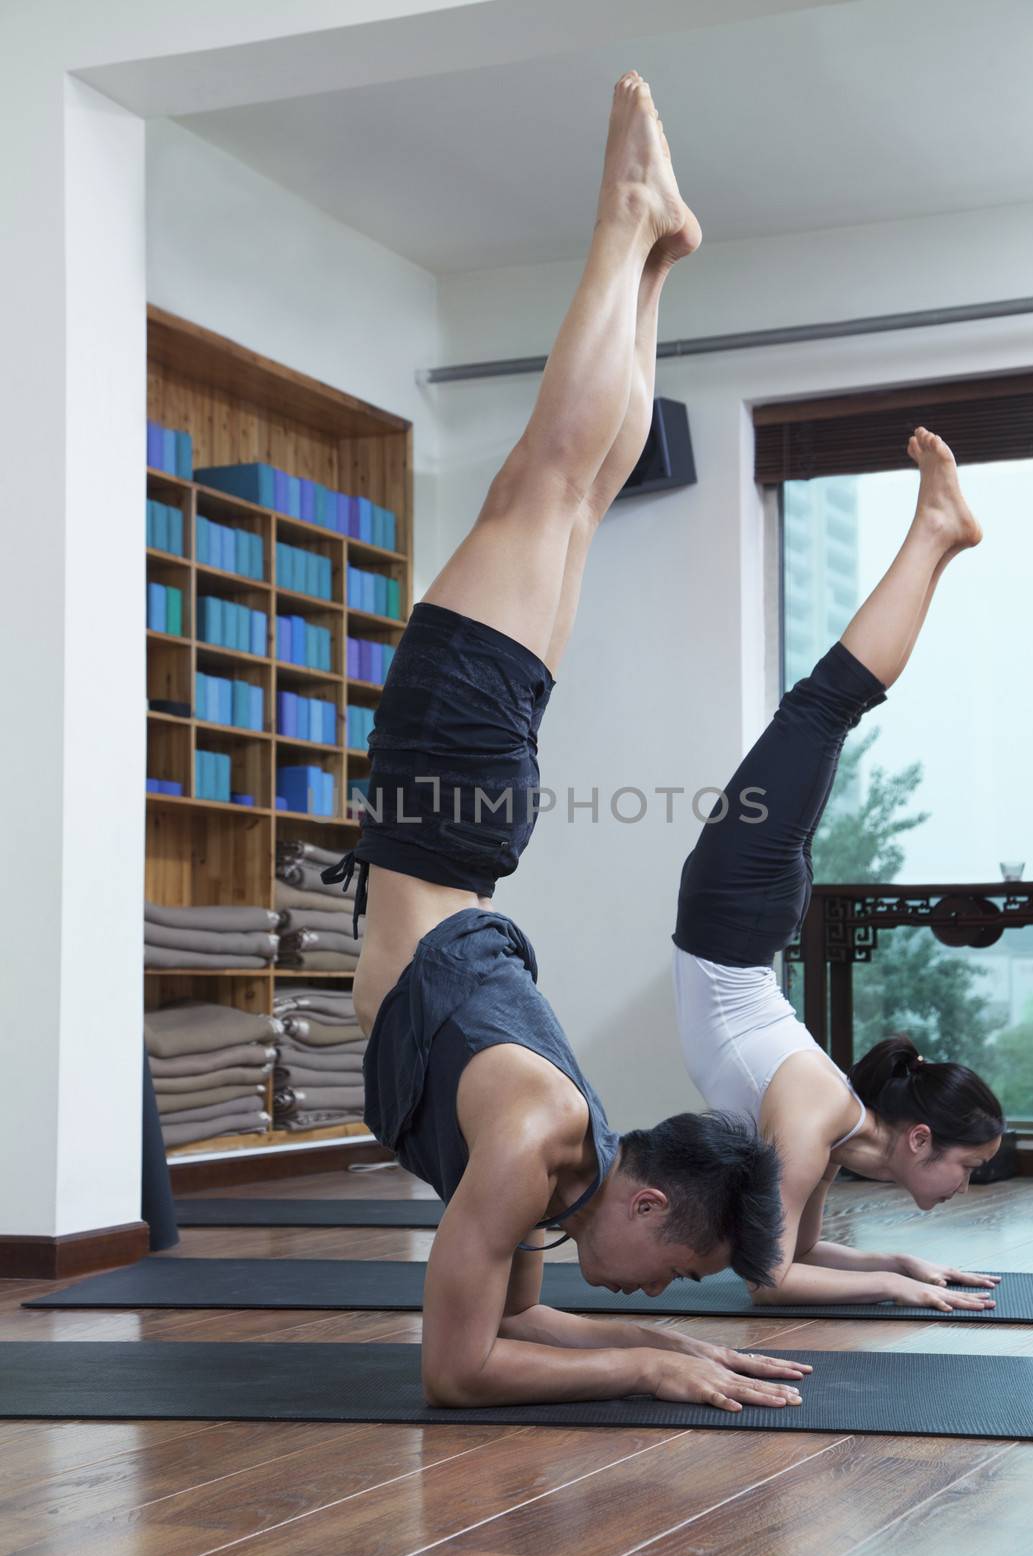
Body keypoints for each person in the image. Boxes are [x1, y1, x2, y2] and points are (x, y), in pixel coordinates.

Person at [324, 72, 810, 1413]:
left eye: (672, 1295)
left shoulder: (559, 1152)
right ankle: (628, 225)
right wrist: (652, 1361)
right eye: (675, 1275)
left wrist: (676, 1355)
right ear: (644, 1199)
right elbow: (457, 1370)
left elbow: (501, 1340)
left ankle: (652, 257)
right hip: (444, 817)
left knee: (572, 501)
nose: (653, 1291)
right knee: (550, 483)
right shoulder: (542, 1137)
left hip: (463, 827)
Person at [672, 427, 1007, 1311]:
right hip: (732, 923)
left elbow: (787, 1263)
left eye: (970, 1174)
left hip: (735, 921)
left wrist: (901, 1268)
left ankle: (939, 532)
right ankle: (936, 532)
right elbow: (770, 1281)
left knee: (824, 710)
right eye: (968, 1169)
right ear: (918, 1140)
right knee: (822, 709)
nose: (964, 1188)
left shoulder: (822, 1132)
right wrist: (901, 1293)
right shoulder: (819, 1119)